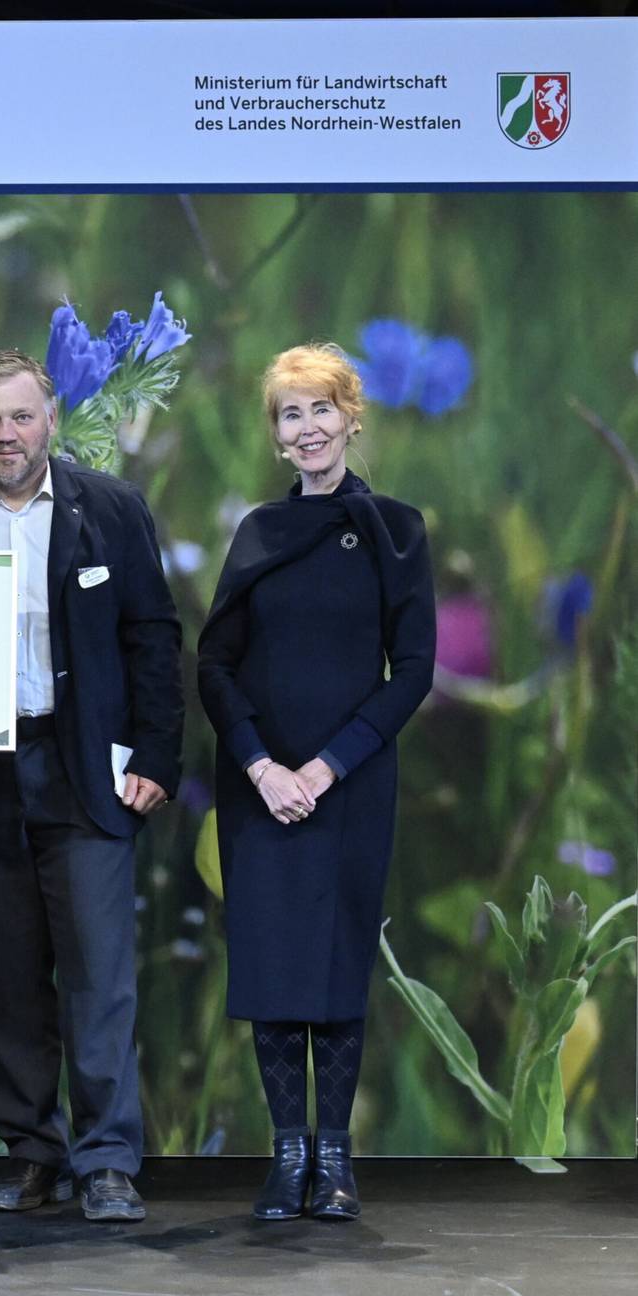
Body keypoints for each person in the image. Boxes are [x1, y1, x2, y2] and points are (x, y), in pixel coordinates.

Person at [0, 349, 182, 1223]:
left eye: (21, 416)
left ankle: (105, 1159)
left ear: (52, 417)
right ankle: (32, 1151)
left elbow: (155, 641)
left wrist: (157, 761)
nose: (6, 434)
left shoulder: (112, 507)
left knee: (99, 971)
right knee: (9, 971)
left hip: (84, 769)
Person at [197, 344, 434, 1222]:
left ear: (352, 417)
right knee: (270, 965)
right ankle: (285, 1153)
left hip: (350, 783)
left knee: (335, 967)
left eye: (320, 410)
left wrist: (327, 766)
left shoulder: (396, 530)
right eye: (290, 414)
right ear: (275, 433)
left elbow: (412, 669)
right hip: (259, 784)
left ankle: (335, 1160)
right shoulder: (257, 530)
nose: (306, 429)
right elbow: (215, 662)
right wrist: (261, 763)